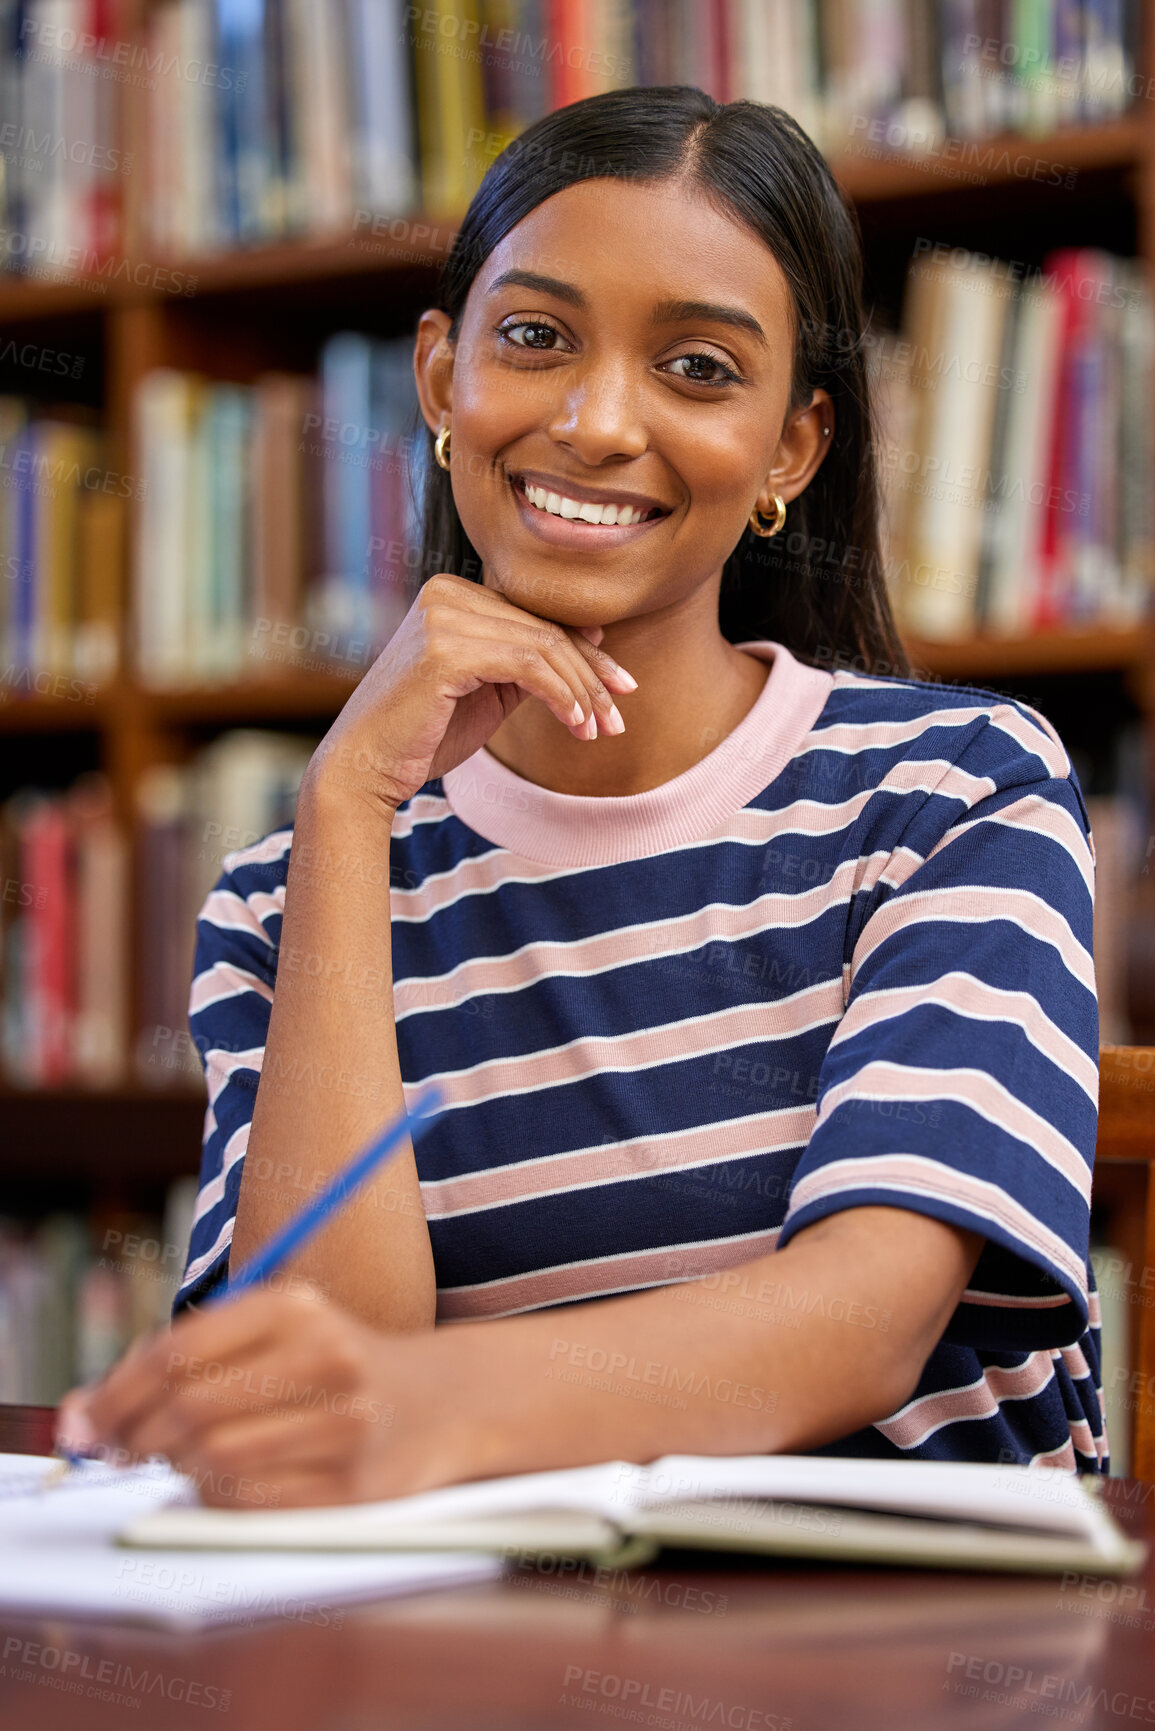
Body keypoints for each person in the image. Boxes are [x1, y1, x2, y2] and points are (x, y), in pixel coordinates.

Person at [58, 86, 1105, 1507]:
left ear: (795, 448)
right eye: (536, 339)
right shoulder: (283, 890)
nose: (598, 422)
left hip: (905, 1661)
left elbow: (863, 1326)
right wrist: (351, 810)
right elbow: (323, 1383)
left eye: (696, 367)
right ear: (442, 379)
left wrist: (412, 1402)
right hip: (475, 1657)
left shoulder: (957, 791)